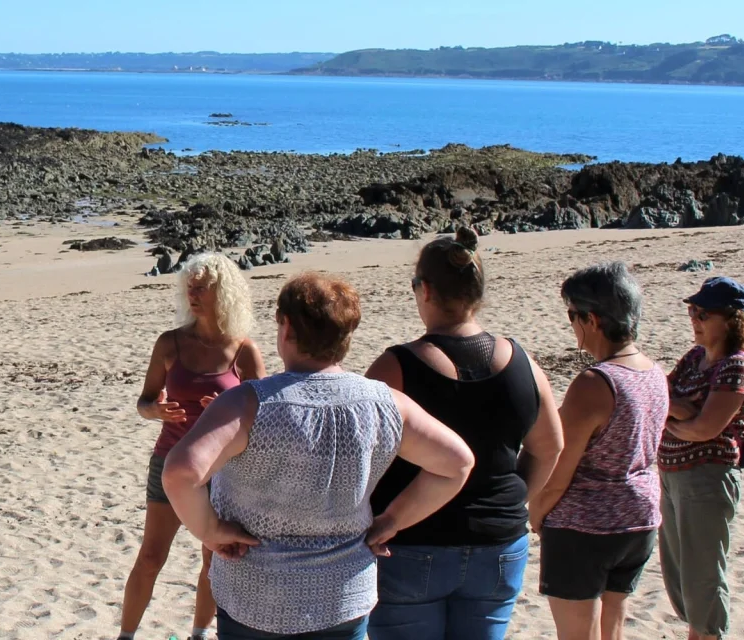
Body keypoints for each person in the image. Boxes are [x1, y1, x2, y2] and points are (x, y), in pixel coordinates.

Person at [163, 273, 475, 640]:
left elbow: (180, 474)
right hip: (342, 596)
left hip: (255, 596)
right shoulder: (386, 403)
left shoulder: (249, 402)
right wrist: (392, 520)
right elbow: (457, 464)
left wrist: (210, 530)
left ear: (287, 327)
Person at [363, 230, 565, 640]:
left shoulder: (396, 366)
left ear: (425, 290)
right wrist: (511, 498)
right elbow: (550, 446)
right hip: (499, 544)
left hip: (412, 542)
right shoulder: (523, 362)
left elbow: (357, 455)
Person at [120, 252, 267, 640]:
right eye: (190, 288)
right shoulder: (170, 344)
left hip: (224, 466)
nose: (194, 296)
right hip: (171, 461)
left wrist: (224, 412)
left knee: (212, 557)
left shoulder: (243, 351)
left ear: (224, 292)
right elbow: (144, 402)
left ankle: (199, 634)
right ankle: (126, 636)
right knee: (152, 556)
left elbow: (265, 414)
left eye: (202, 288)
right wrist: (156, 411)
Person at [529, 262, 668, 640]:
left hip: (586, 527)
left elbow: (560, 469)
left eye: (572, 315)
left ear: (591, 320)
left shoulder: (595, 383)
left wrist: (537, 511)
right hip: (638, 518)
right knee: (612, 627)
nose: (571, 325)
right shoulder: (654, 373)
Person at [659, 277, 744, 640]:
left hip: (706, 480)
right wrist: (678, 412)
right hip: (670, 477)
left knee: (703, 579)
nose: (694, 318)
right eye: (692, 311)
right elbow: (659, 399)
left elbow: (706, 428)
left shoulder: (737, 366)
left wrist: (674, 420)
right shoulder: (693, 359)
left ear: (731, 320)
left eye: (703, 313)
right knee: (680, 575)